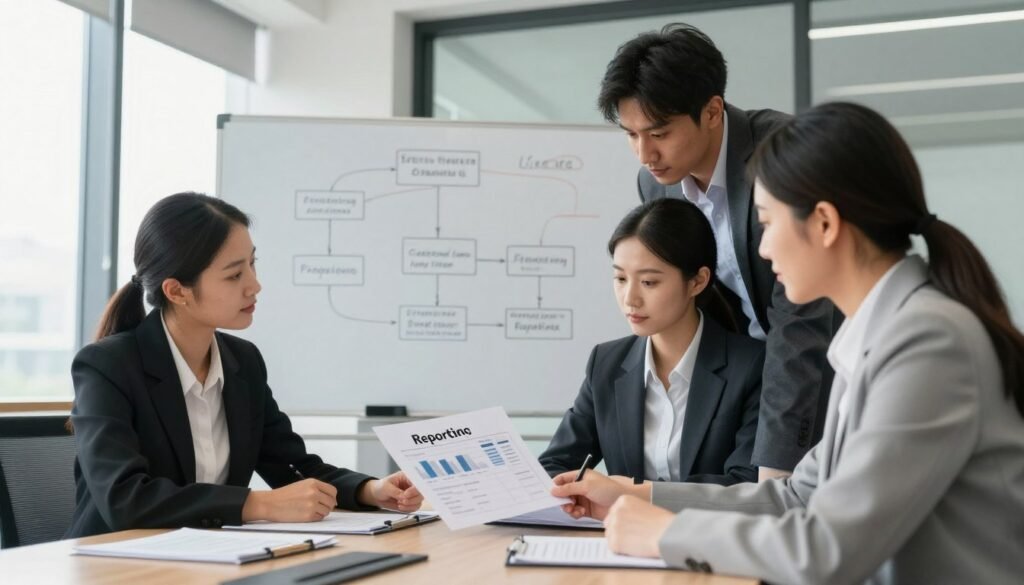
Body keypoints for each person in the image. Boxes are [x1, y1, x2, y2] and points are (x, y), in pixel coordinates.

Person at [550, 103, 1024, 584]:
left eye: (767, 222)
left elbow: (827, 550)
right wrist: (640, 495)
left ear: (824, 223)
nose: (761, 248)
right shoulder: (877, 338)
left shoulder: (929, 344)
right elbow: (793, 497)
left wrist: (665, 534)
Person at [66, 192, 422, 538]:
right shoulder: (107, 367)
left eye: (252, 263)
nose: (255, 285)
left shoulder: (243, 362)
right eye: (234, 275)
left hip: (205, 558)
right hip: (115, 564)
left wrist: (370, 490)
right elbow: (125, 499)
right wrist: (259, 504)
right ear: (177, 291)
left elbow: (292, 466)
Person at [598, 23, 839, 479]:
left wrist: (776, 465)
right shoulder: (655, 184)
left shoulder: (784, 155)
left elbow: (802, 317)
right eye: (631, 135)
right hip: (742, 383)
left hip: (824, 366)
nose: (644, 153)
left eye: (659, 133)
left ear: (711, 111)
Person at [538, 198, 764, 485]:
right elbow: (553, 466)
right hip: (619, 530)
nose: (630, 299)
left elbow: (746, 484)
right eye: (620, 278)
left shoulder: (752, 366)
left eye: (649, 282)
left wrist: (631, 495)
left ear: (697, 281)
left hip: (707, 530)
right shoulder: (606, 363)